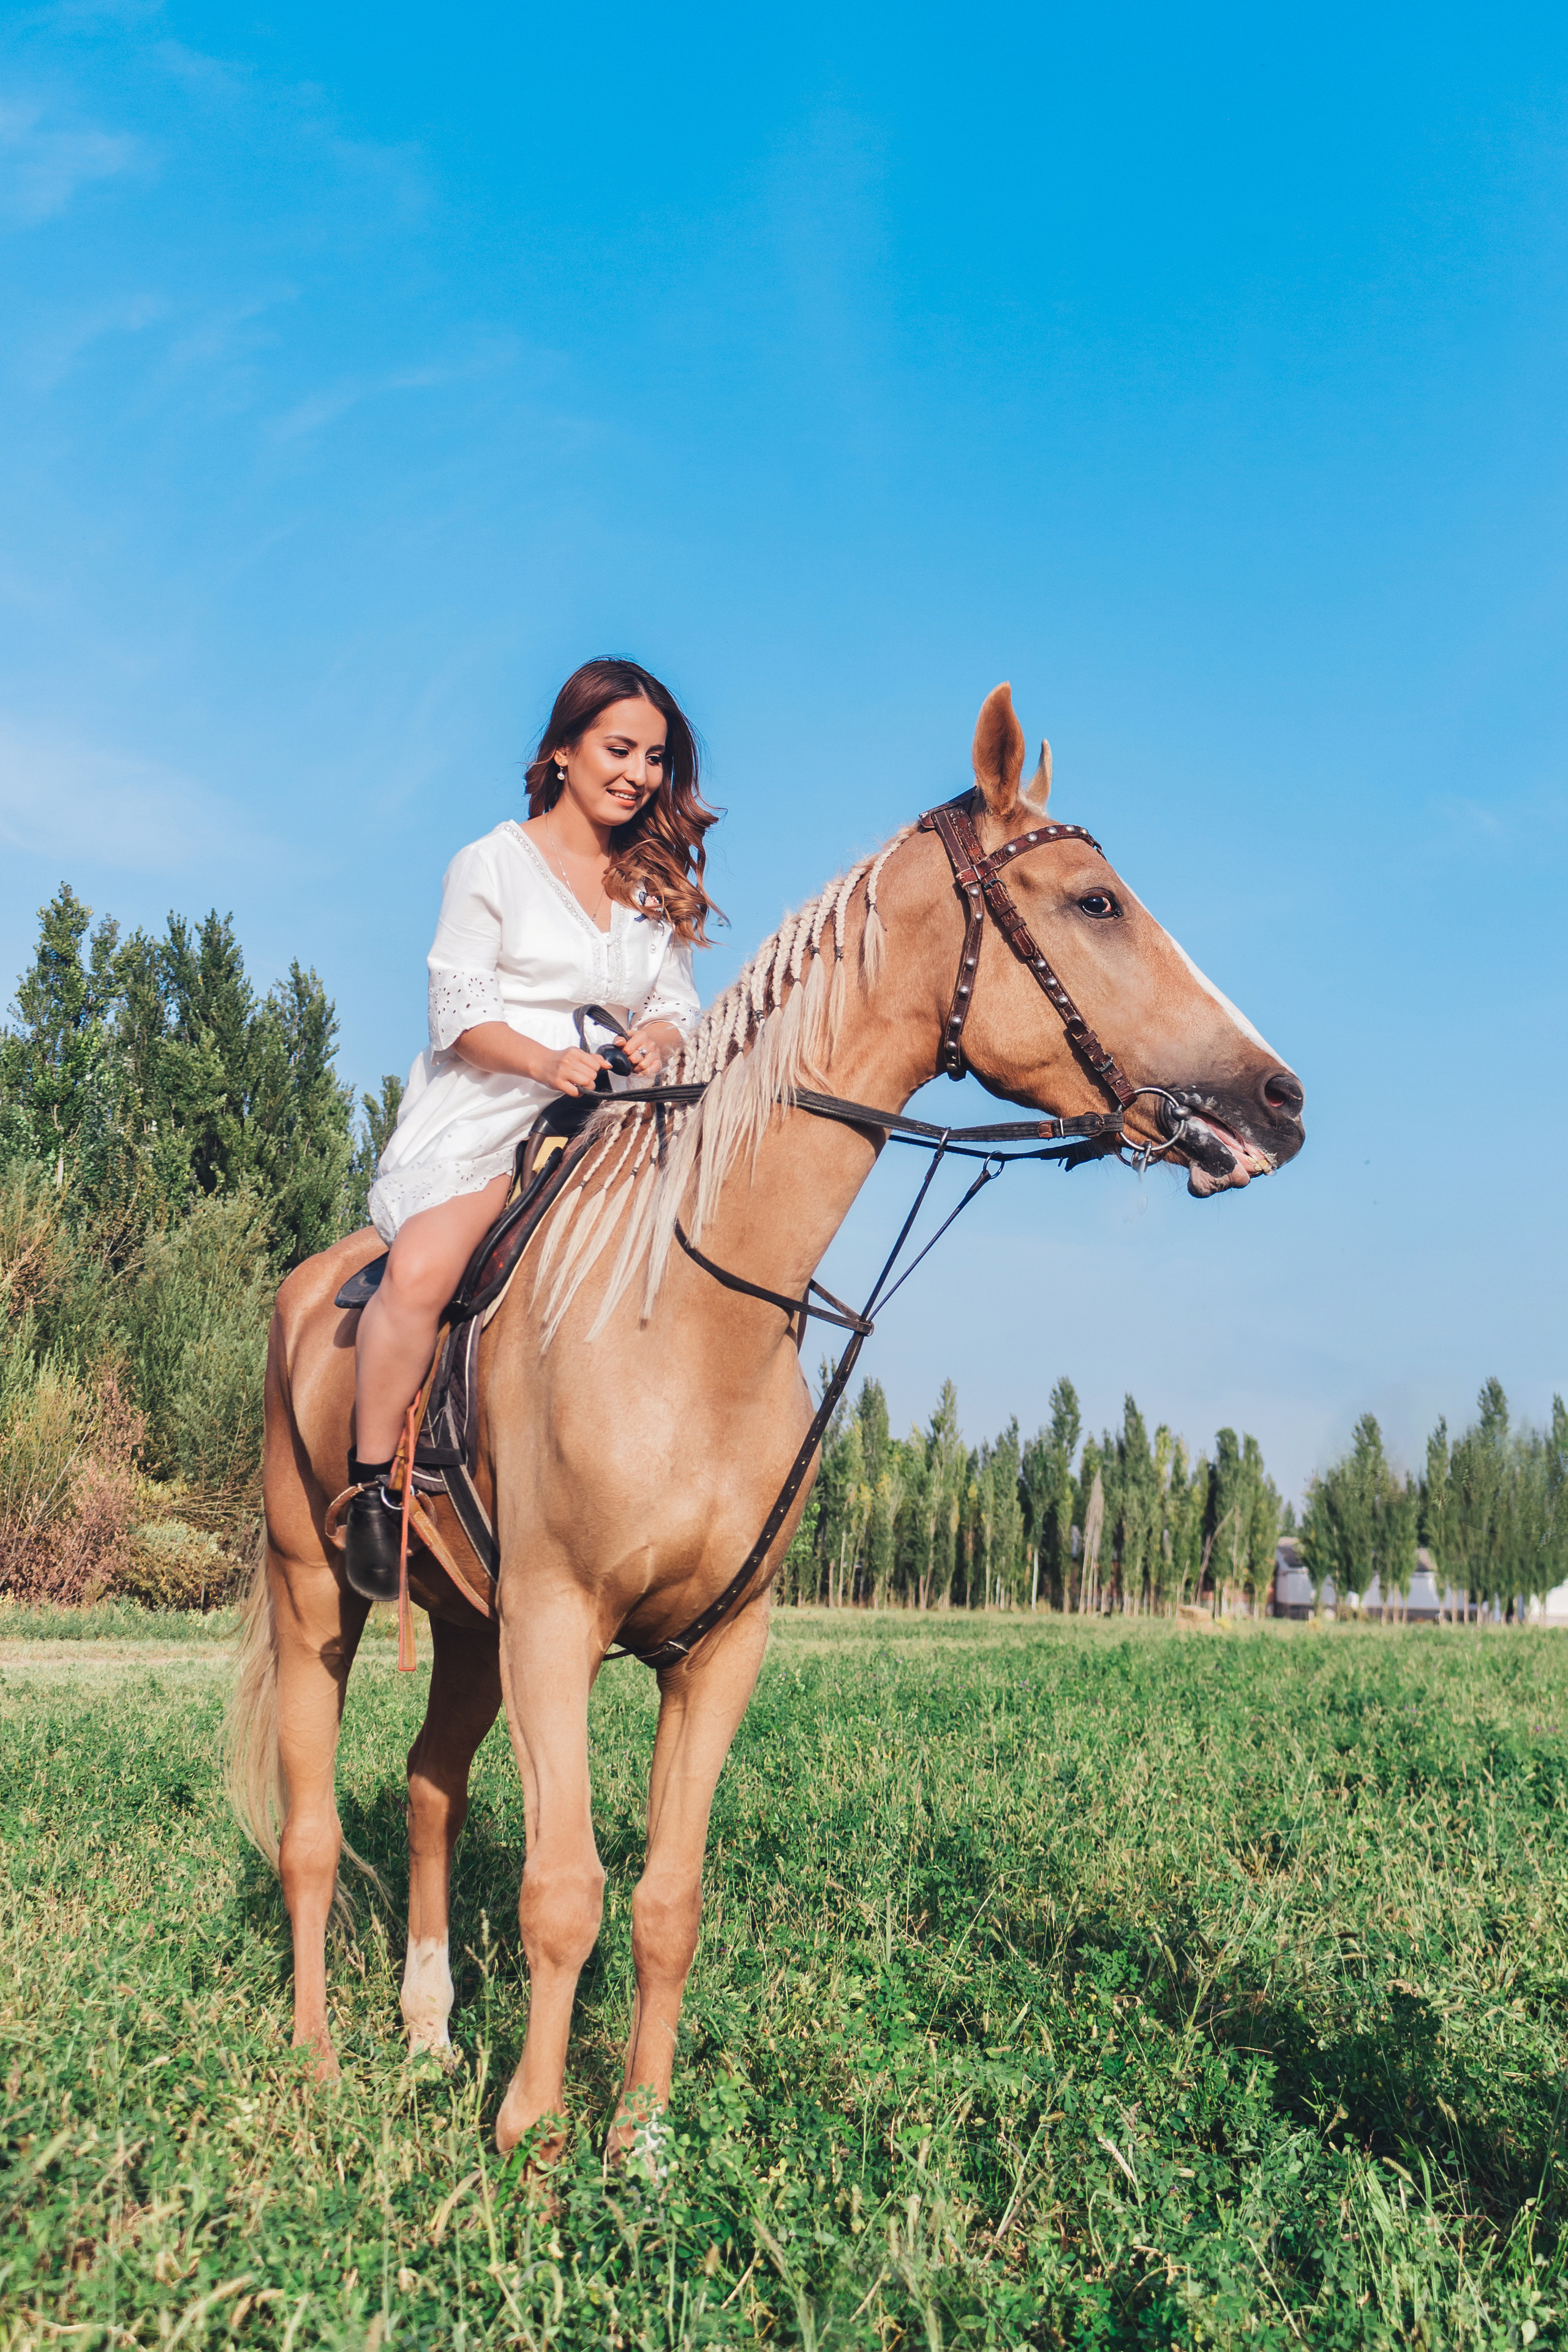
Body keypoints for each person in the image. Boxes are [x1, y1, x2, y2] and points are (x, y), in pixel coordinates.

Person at [344, 657, 720, 1600]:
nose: (638, 775)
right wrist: (549, 1063)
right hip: (498, 1102)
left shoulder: (654, 879)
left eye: (654, 759)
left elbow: (677, 1002)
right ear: (562, 750)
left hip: (619, 1107)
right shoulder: (491, 863)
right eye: (619, 749)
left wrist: (657, 1037)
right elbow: (460, 1015)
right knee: (421, 1272)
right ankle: (374, 1488)